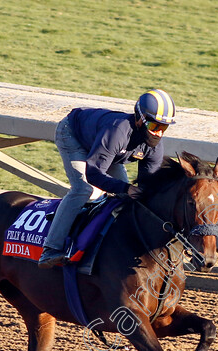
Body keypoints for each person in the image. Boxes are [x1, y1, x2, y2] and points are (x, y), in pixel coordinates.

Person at [38, 89, 177, 269]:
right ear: (139, 119)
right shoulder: (118, 130)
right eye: (153, 126)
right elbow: (94, 173)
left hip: (108, 150)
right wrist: (125, 188)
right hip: (73, 135)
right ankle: (51, 248)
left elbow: (147, 190)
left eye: (163, 128)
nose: (158, 133)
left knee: (129, 199)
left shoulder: (155, 148)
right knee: (83, 189)